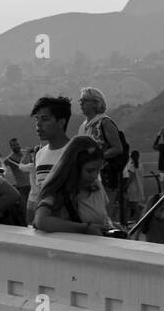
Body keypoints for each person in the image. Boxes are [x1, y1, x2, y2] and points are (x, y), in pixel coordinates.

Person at [32, 135, 125, 236]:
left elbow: (104, 218)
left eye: (98, 170)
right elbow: (41, 220)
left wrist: (114, 227)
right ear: (74, 168)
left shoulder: (96, 187)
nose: (95, 176)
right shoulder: (59, 191)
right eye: (90, 171)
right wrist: (85, 228)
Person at [77, 87, 126, 222]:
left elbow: (118, 148)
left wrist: (97, 157)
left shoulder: (105, 122)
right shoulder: (83, 126)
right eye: (80, 101)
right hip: (88, 176)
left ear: (95, 102)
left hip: (106, 174)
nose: (80, 103)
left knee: (105, 211)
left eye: (84, 101)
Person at [27, 96, 73, 222]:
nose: (38, 124)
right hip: (44, 225)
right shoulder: (40, 154)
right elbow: (36, 192)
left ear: (61, 122)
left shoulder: (76, 152)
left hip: (71, 228)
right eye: (37, 119)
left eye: (45, 119)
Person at [124, 149, 145, 222]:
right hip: (139, 186)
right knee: (132, 203)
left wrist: (125, 186)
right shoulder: (140, 164)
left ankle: (138, 220)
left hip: (132, 187)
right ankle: (138, 216)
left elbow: (130, 177)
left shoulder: (131, 164)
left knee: (133, 204)